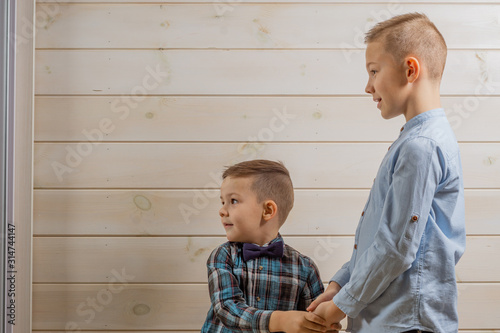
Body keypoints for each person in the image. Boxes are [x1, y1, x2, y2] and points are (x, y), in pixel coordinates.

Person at [307, 13, 466, 333]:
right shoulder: (415, 141)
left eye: (374, 71)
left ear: (410, 69)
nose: (368, 86)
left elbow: (395, 249)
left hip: (405, 324)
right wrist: (341, 284)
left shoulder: (420, 146)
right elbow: (381, 239)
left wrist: (340, 306)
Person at [202, 159, 341, 333]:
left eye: (234, 201)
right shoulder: (223, 256)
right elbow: (226, 309)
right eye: (222, 202)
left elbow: (313, 318)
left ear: (268, 210)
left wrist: (323, 324)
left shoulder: (305, 268)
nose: (222, 210)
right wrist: (279, 320)